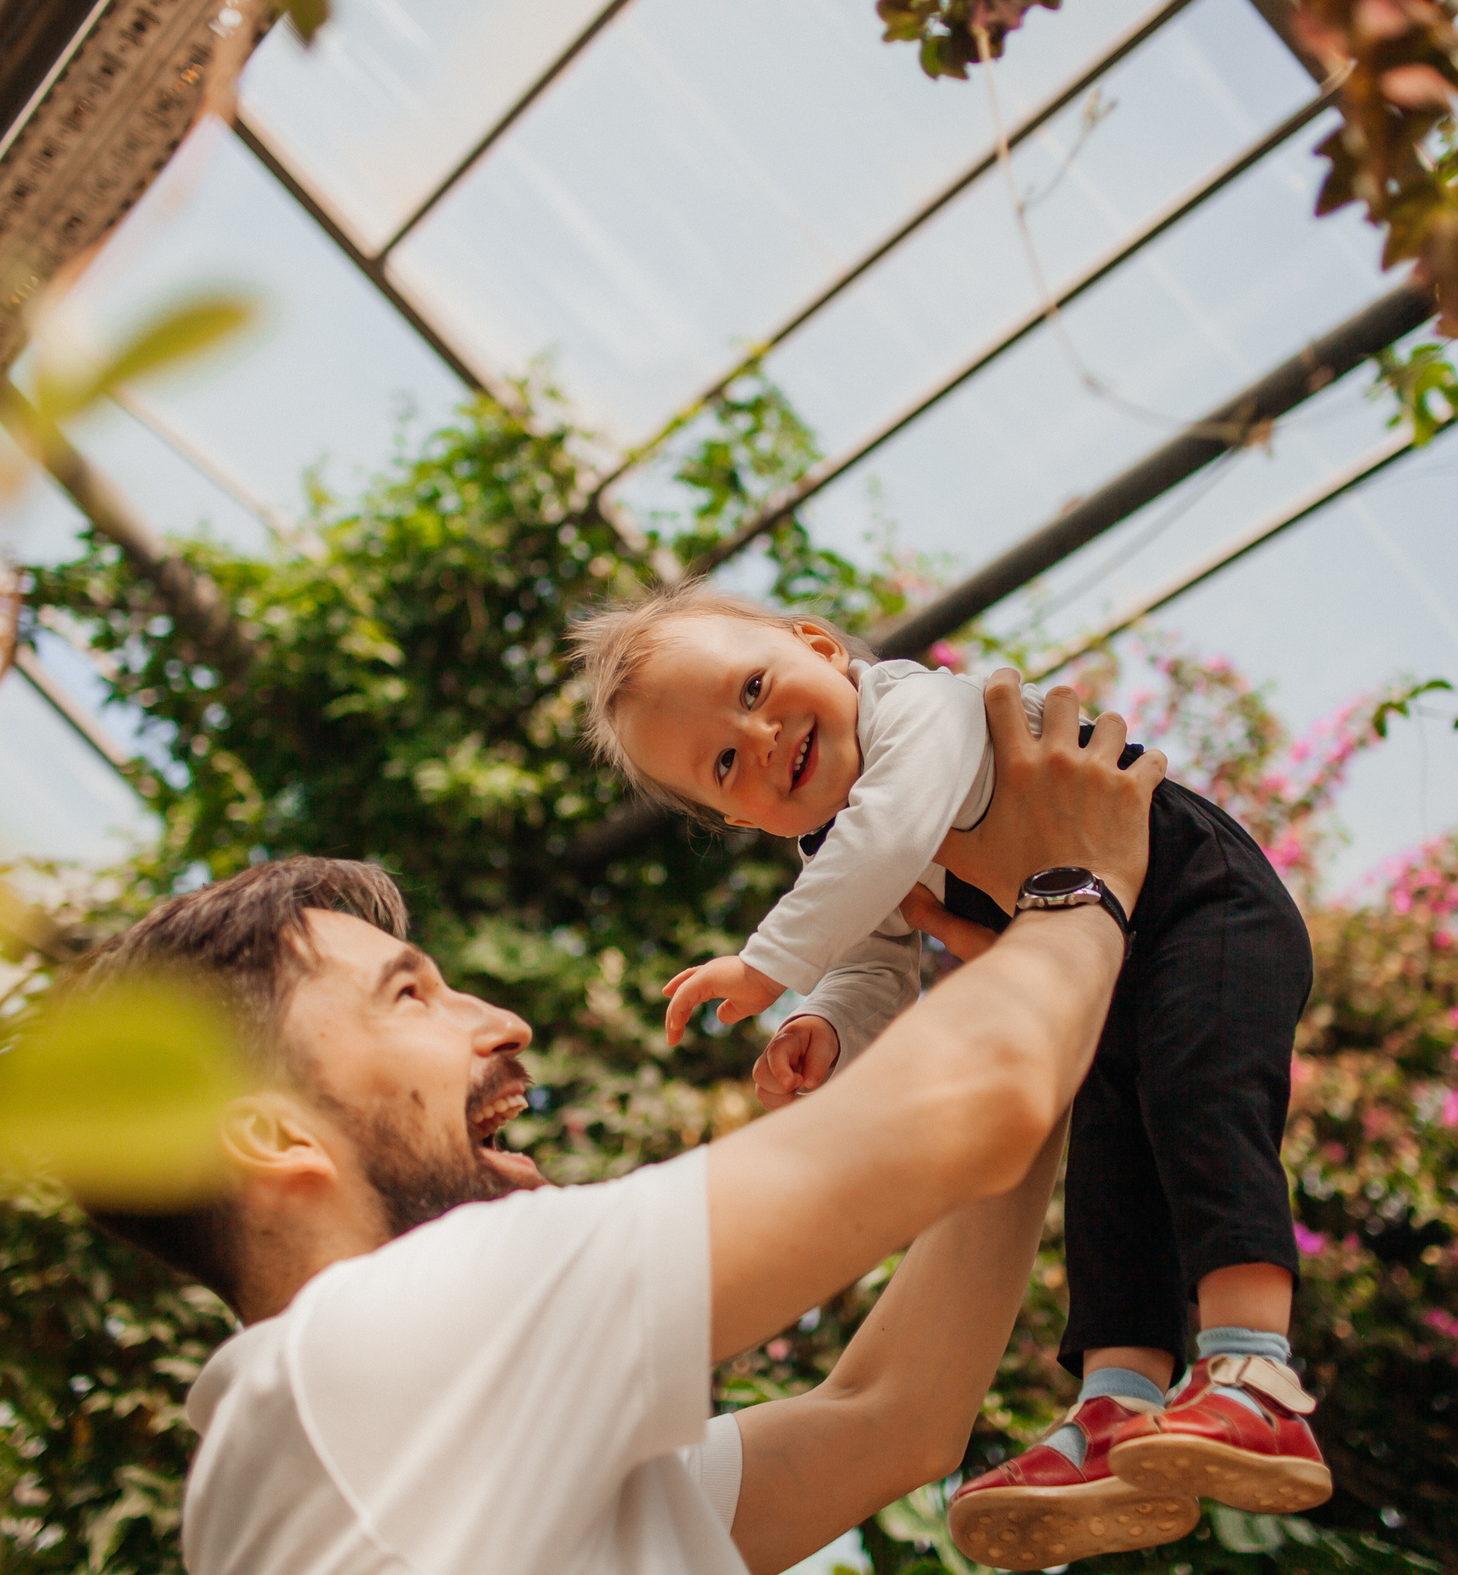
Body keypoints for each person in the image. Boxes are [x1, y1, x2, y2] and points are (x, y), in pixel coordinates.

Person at [71, 676, 1168, 1575]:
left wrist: (1033, 989)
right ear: (272, 1138)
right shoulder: (362, 1352)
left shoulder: (405, 1454)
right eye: (408, 997)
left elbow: (892, 1418)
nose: (504, 1022)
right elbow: (978, 1096)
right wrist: (1075, 885)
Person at [570, 586, 1329, 1568]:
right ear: (736, 817)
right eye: (724, 761)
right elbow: (875, 959)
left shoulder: (914, 711)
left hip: (1198, 907)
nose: (759, 737)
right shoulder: (837, 847)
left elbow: (887, 838)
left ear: (820, 647)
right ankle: (1119, 1402)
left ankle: (1252, 1373)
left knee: (1198, 1106)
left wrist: (764, 967)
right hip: (1094, 964)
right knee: (1109, 1178)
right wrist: (822, 1025)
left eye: (755, 687)